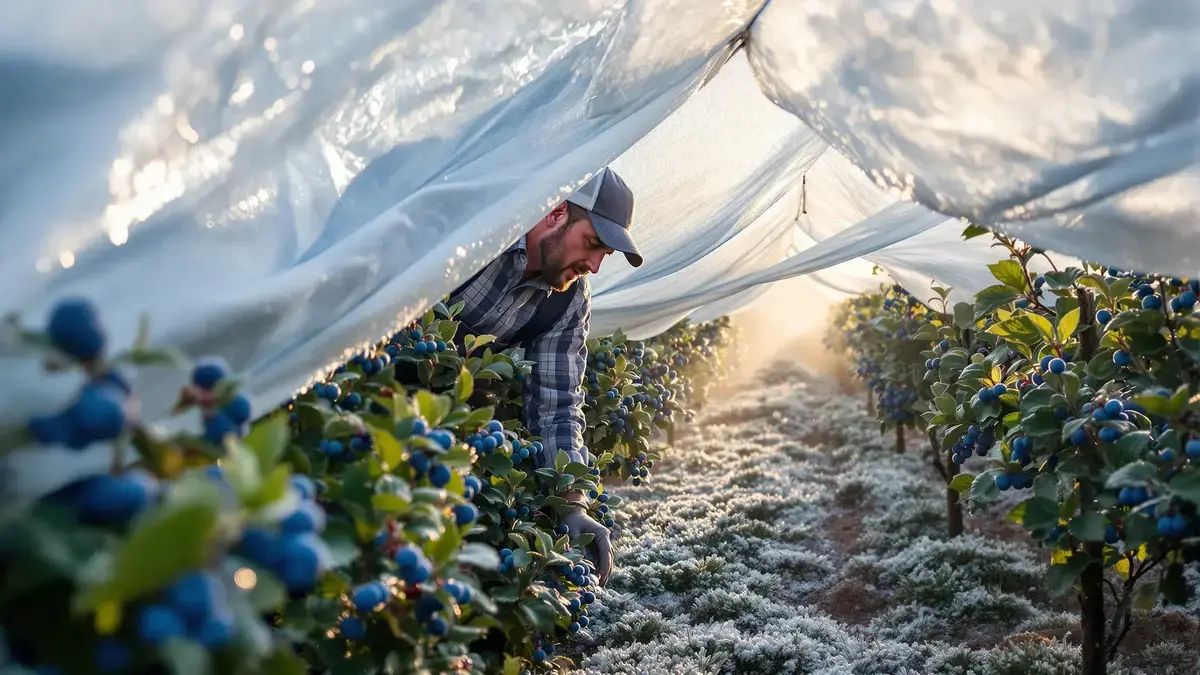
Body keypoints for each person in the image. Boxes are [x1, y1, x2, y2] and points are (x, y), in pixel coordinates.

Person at [447, 167, 641, 585]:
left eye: (603, 254)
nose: (593, 264)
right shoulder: (476, 236)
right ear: (555, 212)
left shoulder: (568, 301)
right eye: (592, 243)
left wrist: (572, 504)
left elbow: (557, 404)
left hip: (445, 431)